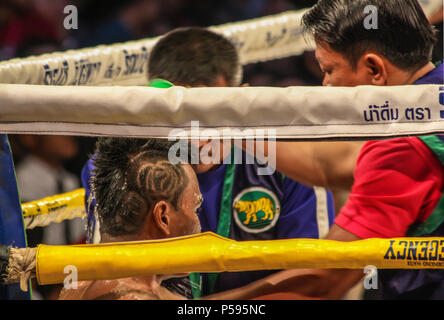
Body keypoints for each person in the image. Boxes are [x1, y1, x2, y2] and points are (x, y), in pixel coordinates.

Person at [208, 0, 444, 300]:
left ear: (374, 68)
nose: (325, 85)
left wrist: (201, 307)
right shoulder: (431, 98)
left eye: (329, 70)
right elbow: (333, 165)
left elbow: (327, 280)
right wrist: (238, 126)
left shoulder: (402, 148)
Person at [81, 27, 336, 299]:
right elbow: (114, 283)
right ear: (152, 104)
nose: (197, 134)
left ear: (241, 100)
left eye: (213, 113)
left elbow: (316, 279)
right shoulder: (117, 163)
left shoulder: (289, 160)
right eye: (180, 115)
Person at [59, 137, 203, 300]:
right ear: (163, 218)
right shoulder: (132, 297)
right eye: (195, 209)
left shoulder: (78, 283)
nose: (198, 223)